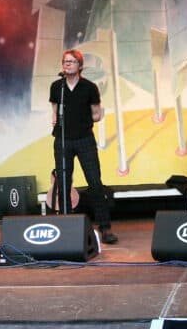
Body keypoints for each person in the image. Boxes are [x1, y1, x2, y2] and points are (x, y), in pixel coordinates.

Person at [50, 49, 118, 244]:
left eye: (71, 62)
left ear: (80, 65)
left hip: (84, 139)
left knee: (95, 182)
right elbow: (54, 111)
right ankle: (65, 227)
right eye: (65, 61)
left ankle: (105, 228)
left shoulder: (89, 87)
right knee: (63, 182)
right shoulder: (57, 87)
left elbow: (97, 114)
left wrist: (81, 118)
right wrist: (56, 122)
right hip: (63, 140)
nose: (67, 64)